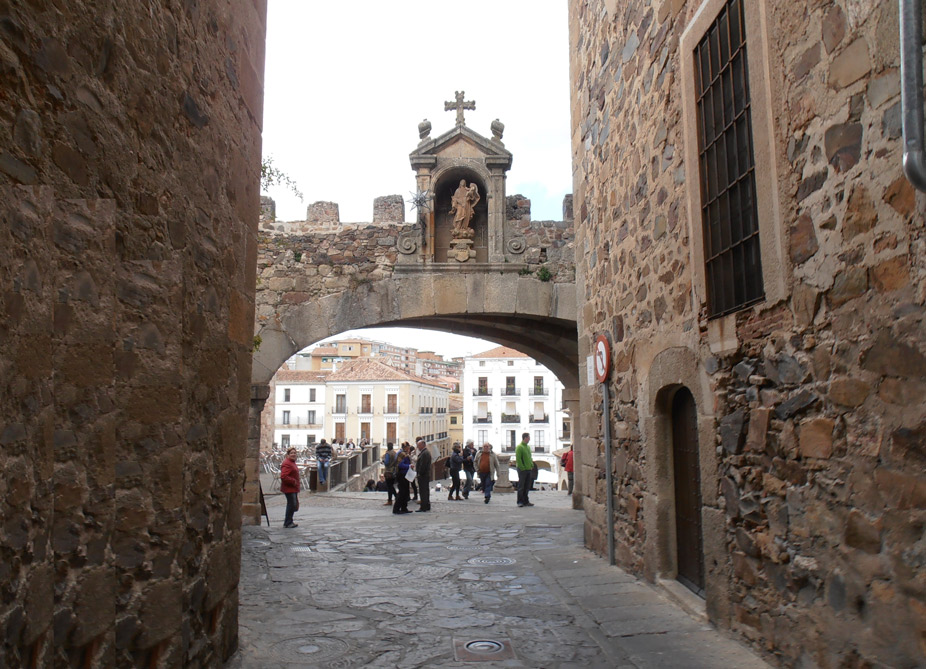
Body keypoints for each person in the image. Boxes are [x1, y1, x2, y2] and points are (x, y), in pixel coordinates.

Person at [280, 447, 301, 528]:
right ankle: (288, 522)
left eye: (294, 453)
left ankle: (289, 521)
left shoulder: (292, 462)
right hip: (289, 488)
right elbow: (284, 476)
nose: (293, 454)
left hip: (293, 488)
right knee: (291, 504)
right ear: (288, 455)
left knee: (292, 504)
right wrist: (293, 481)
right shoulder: (287, 463)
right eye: (291, 453)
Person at [392, 443, 413, 514]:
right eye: (408, 447)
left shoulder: (402, 454)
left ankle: (404, 507)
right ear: (406, 447)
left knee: (406, 492)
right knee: (402, 492)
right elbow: (400, 465)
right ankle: (396, 508)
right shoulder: (402, 454)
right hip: (402, 475)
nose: (409, 449)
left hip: (405, 475)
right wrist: (409, 466)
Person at [515, 432, 534, 507]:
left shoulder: (528, 447)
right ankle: (520, 501)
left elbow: (529, 457)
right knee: (521, 486)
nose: (529, 439)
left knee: (527, 486)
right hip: (522, 469)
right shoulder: (519, 447)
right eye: (529, 437)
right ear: (525, 438)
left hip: (528, 468)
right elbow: (518, 459)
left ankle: (526, 500)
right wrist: (522, 467)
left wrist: (531, 465)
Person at [415, 439, 432, 512]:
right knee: (425, 490)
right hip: (425, 474)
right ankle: (426, 505)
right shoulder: (425, 452)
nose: (418, 447)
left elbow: (423, 465)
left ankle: (423, 506)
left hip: (423, 475)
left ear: (423, 445)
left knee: (423, 491)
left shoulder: (424, 453)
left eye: (419, 445)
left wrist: (419, 473)